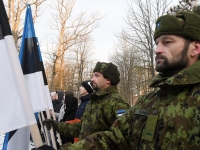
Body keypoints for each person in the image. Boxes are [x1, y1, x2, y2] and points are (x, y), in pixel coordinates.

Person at [41, 11, 200, 150]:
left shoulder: (116, 103)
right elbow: (115, 137)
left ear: (195, 48)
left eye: (168, 42)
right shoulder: (150, 100)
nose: (157, 50)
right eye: (157, 43)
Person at [42, 61, 131, 148]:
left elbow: (121, 138)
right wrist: (57, 125)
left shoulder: (117, 103)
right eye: (93, 75)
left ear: (108, 79)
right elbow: (81, 128)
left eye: (97, 75)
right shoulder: (94, 102)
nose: (92, 79)